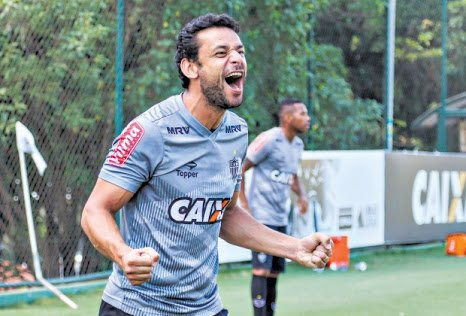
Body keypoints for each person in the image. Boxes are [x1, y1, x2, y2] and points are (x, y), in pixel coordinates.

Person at [81, 13, 333, 316]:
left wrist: (294, 248)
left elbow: (226, 215)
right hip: (136, 309)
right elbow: (95, 210)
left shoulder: (236, 132)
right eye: (221, 53)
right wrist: (123, 255)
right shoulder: (150, 131)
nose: (237, 59)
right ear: (190, 68)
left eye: (240, 51)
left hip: (205, 308)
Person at [239, 98, 311, 316]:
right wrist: (244, 205)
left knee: (273, 273)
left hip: (280, 217)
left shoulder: (297, 145)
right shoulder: (269, 139)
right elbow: (240, 167)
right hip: (261, 216)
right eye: (302, 113)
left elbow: (292, 175)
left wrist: (301, 195)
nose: (307, 119)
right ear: (287, 118)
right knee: (261, 270)